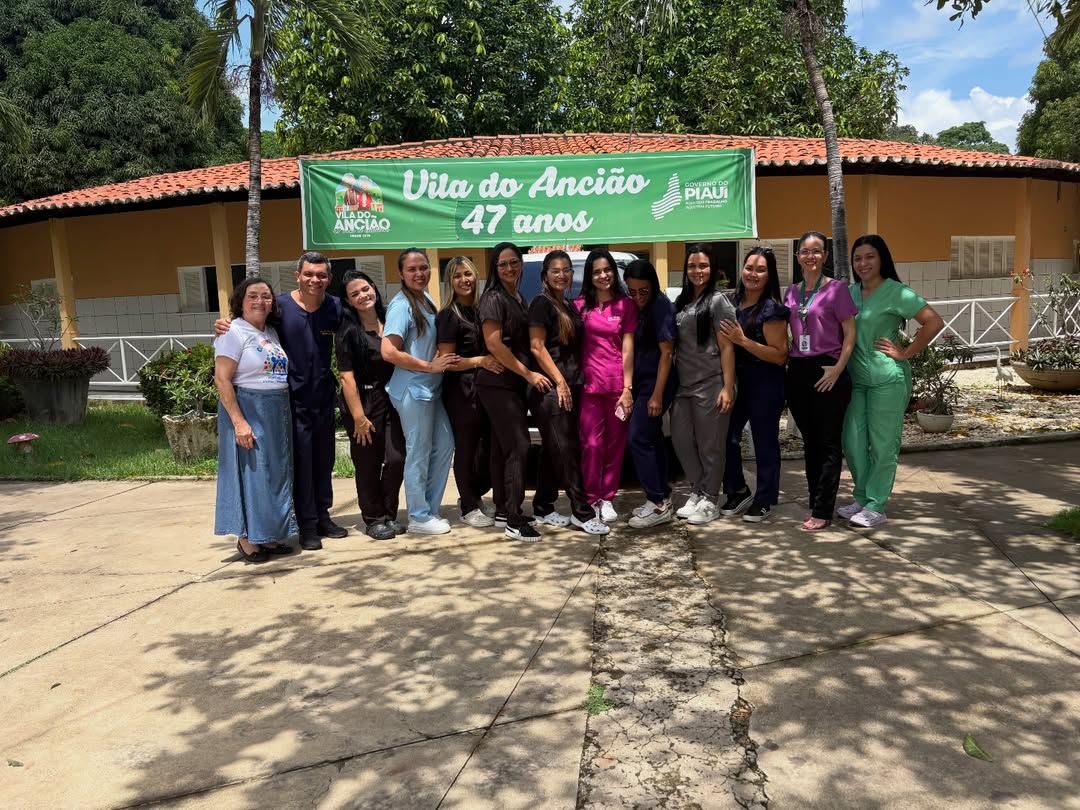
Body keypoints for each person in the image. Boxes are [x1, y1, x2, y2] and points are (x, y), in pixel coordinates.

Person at [216, 252, 347, 550]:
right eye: (308, 274)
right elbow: (248, 324)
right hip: (291, 402)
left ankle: (323, 516)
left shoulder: (335, 307)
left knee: (324, 459)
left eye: (321, 275)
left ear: (329, 278)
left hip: (323, 397)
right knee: (301, 463)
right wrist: (225, 323)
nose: (315, 280)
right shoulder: (282, 308)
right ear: (297, 276)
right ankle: (307, 524)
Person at [841, 234, 945, 527]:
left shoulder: (897, 292)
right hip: (855, 379)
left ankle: (876, 505)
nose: (863, 263)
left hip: (887, 379)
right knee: (853, 441)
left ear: (882, 259)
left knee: (883, 444)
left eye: (869, 256)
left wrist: (906, 352)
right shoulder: (848, 293)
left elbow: (934, 321)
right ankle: (862, 497)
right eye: (857, 258)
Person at [528, 250, 611, 536]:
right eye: (555, 271)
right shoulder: (541, 303)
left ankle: (542, 507)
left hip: (572, 386)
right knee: (568, 450)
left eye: (566, 270)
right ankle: (582, 512)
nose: (561, 275)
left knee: (552, 450)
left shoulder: (568, 305)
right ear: (545, 276)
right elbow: (537, 347)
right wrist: (560, 381)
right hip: (551, 390)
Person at [214, 277, 296, 562]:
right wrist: (239, 422)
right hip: (249, 408)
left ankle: (268, 535)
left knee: (273, 474)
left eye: (266, 296)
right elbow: (222, 379)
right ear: (240, 301)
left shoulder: (270, 332)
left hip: (276, 410)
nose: (260, 301)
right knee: (251, 473)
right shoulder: (232, 331)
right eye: (253, 296)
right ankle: (247, 540)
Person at [381, 248, 459, 535]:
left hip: (431, 390)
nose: (419, 273)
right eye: (412, 269)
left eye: (423, 267)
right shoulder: (401, 306)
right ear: (401, 274)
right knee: (419, 451)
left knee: (445, 444)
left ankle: (429, 509)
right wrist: (429, 366)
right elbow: (388, 351)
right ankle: (418, 515)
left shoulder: (426, 299)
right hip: (412, 391)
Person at [784, 231, 857, 532]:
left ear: (825, 256)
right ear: (797, 256)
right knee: (810, 442)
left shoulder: (837, 289)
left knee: (828, 442)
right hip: (798, 369)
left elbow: (850, 334)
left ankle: (823, 509)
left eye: (816, 251)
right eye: (805, 251)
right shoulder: (791, 292)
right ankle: (816, 499)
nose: (810, 256)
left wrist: (838, 368)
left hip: (828, 369)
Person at [478, 242, 549, 542]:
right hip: (497, 383)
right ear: (495, 268)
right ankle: (514, 520)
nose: (509, 268)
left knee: (502, 447)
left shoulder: (518, 297)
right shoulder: (493, 298)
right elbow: (494, 344)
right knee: (520, 445)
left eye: (514, 262)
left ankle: (503, 510)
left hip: (512, 383)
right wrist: (529, 374)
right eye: (503, 264)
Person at [718, 247, 790, 523]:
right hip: (737, 382)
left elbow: (780, 355)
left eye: (761, 270)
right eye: (749, 268)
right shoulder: (730, 302)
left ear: (769, 275)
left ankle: (765, 498)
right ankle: (737, 490)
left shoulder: (772, 310)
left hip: (765, 382)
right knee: (727, 436)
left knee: (764, 441)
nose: (753, 274)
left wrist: (743, 341)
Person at [336, 270, 405, 541]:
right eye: (355, 294)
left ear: (374, 287)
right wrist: (358, 417)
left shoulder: (390, 319)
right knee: (368, 464)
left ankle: (389, 513)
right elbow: (346, 377)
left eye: (365, 289)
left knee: (396, 458)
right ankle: (374, 519)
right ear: (348, 301)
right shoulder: (348, 331)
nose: (363, 295)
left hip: (391, 398)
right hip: (361, 402)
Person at [671, 244, 737, 525]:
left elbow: (727, 347)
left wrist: (727, 386)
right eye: (692, 266)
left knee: (711, 447)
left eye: (703, 266)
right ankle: (698, 490)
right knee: (681, 441)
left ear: (713, 269)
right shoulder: (683, 301)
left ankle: (710, 497)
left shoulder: (719, 301)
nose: (697, 271)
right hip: (684, 385)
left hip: (711, 383)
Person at [436, 256, 500, 528]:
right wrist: (480, 361)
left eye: (468, 274)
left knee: (486, 447)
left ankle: (476, 494)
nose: (464, 280)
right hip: (460, 391)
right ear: (449, 282)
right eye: (457, 275)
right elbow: (447, 361)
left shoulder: (480, 309)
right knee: (466, 447)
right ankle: (468, 506)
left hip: (485, 389)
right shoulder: (449, 315)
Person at [576, 248, 637, 523]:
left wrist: (628, 388)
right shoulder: (579, 306)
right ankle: (592, 498)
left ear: (614, 271)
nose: (603, 276)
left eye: (607, 270)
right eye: (597, 272)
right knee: (591, 445)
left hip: (617, 387)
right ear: (590, 276)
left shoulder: (626, 305)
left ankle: (608, 497)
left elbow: (628, 348)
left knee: (614, 446)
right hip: (589, 387)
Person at [623, 258, 678, 528]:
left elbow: (667, 353)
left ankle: (656, 502)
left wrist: (657, 394)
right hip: (641, 382)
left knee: (638, 438)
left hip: (656, 383)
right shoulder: (636, 306)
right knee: (653, 438)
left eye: (642, 291)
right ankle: (663, 496)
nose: (637, 297)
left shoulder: (660, 306)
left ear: (653, 285)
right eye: (632, 291)